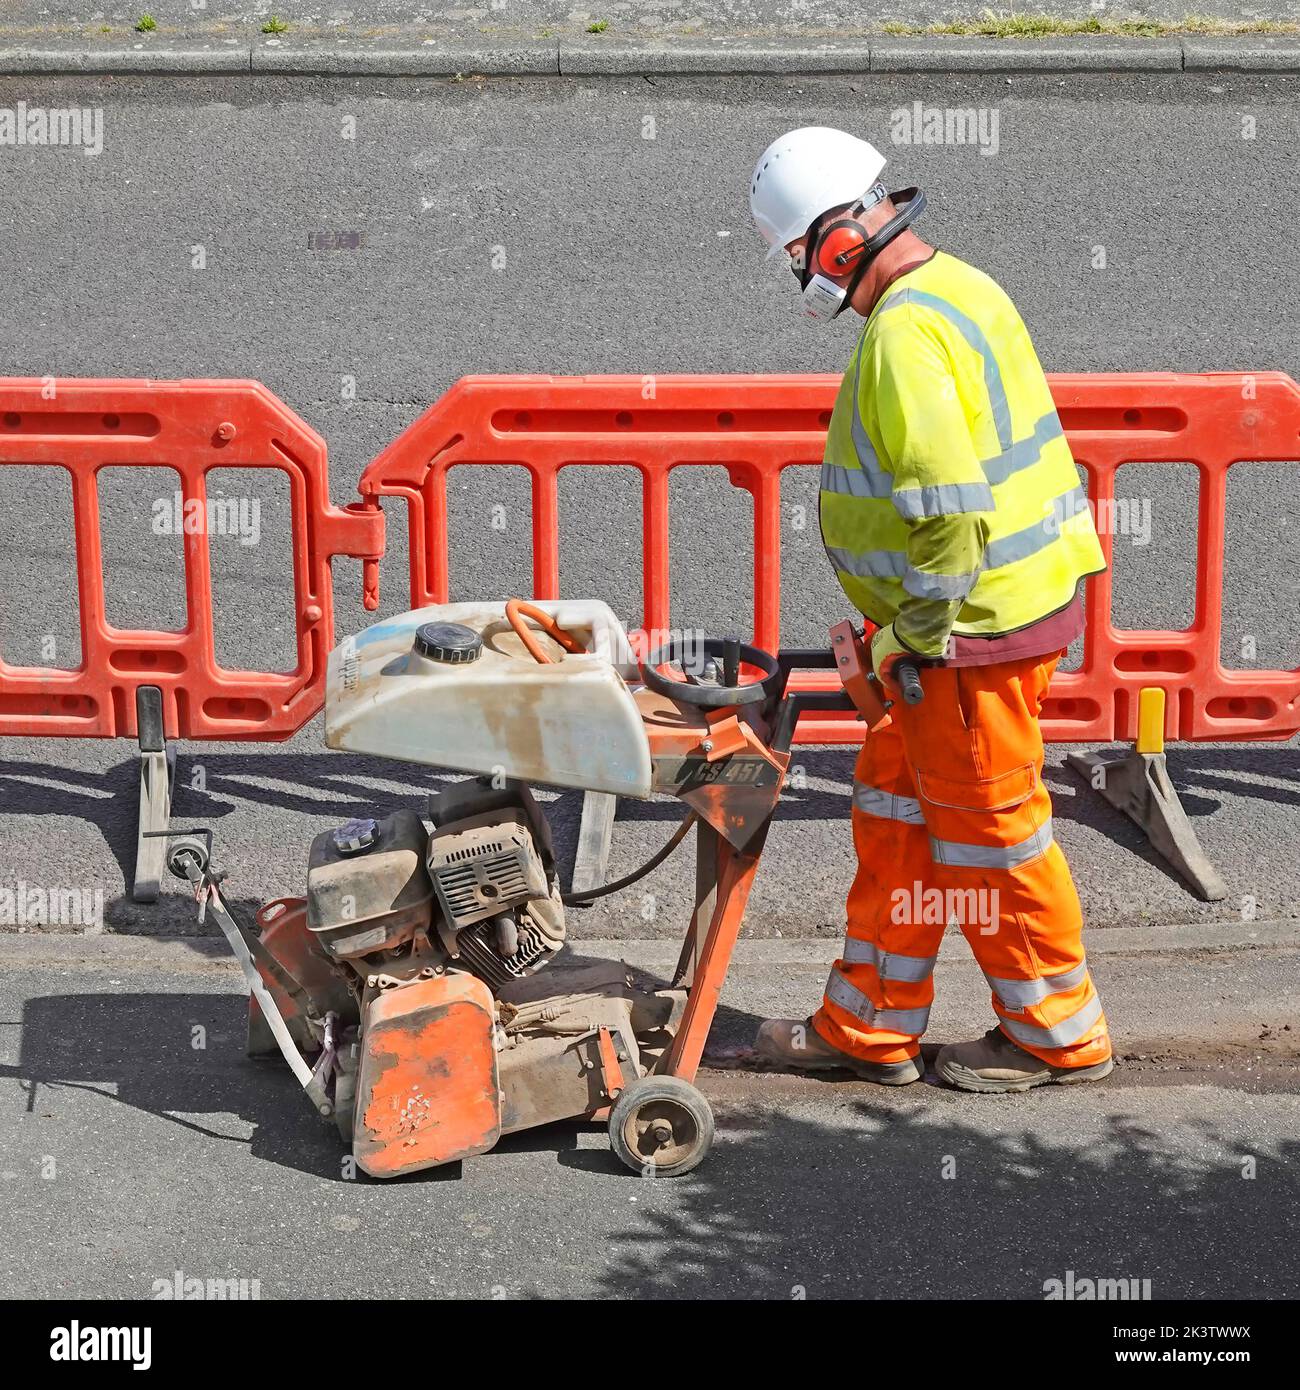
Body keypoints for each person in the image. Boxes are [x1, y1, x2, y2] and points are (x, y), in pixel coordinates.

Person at [748, 127, 1113, 1092]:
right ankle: (868, 1025)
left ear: (834, 242)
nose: (800, 274)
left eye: (795, 253)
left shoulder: (904, 332)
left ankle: (1054, 1035)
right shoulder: (961, 284)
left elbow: (952, 510)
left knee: (993, 837)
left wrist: (911, 639)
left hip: (966, 640)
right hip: (978, 625)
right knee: (898, 814)